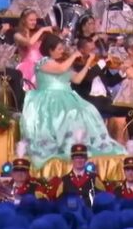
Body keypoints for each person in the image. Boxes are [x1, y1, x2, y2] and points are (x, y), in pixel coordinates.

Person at [20, 34, 124, 167]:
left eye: (62, 48)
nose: (62, 51)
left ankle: (79, 146)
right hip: (49, 98)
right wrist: (73, 56)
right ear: (50, 50)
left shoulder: (62, 63)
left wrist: (88, 63)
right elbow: (60, 69)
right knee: (70, 114)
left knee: (88, 110)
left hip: (65, 96)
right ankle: (64, 145)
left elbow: (78, 79)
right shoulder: (43, 62)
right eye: (59, 49)